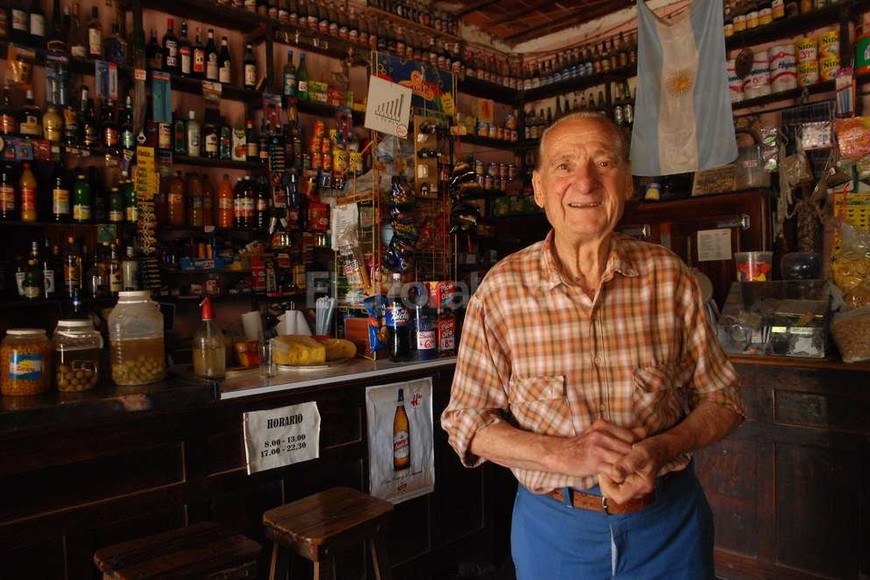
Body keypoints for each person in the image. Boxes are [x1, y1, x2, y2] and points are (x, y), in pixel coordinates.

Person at [441, 112, 746, 579]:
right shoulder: (500, 292)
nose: (584, 182)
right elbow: (466, 421)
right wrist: (565, 455)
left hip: (669, 528)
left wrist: (663, 447)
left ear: (627, 182)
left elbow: (724, 399)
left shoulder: (670, 278)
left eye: (603, 163)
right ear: (539, 188)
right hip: (555, 532)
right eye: (564, 166)